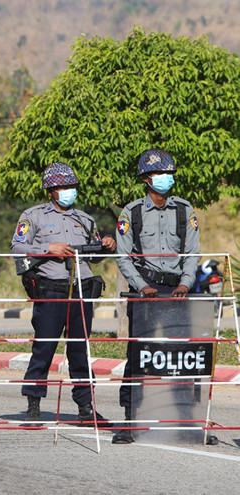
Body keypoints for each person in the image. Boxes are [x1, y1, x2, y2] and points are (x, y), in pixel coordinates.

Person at [112, 149, 215, 445]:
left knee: (184, 357)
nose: (166, 179)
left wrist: (186, 282)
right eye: (160, 174)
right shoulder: (130, 213)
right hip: (144, 291)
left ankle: (187, 422)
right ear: (146, 178)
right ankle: (129, 422)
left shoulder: (184, 210)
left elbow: (192, 252)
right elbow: (123, 256)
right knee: (138, 356)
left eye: (170, 173)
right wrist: (140, 285)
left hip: (178, 292)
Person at [10, 162, 115, 426]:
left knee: (80, 350)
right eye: (63, 187)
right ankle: (33, 407)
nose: (69, 191)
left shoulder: (85, 218)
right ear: (51, 190)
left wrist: (106, 245)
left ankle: (86, 408)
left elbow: (94, 256)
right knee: (44, 348)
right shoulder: (32, 216)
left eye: (71, 186)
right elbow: (16, 247)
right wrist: (48, 247)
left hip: (81, 289)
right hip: (51, 291)